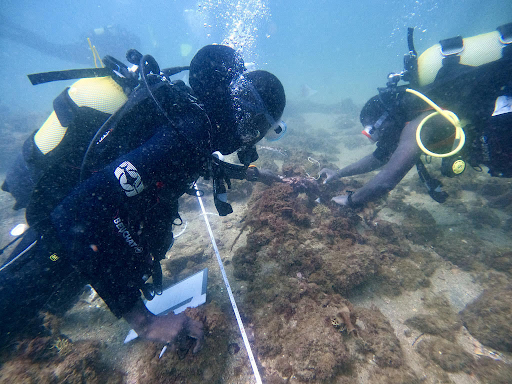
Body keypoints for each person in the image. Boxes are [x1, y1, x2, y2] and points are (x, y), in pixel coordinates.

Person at [0, 44, 286, 354]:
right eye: (260, 130)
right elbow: (77, 212)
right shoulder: (186, 133)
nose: (253, 140)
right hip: (59, 230)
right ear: (248, 119)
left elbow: (194, 160)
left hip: (77, 234)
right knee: (11, 311)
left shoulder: (194, 123)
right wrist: (144, 321)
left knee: (41, 315)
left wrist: (253, 175)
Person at [320, 23, 512, 207]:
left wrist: (351, 201)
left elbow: (386, 181)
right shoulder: (419, 111)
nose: (376, 137)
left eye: (373, 130)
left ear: (384, 119)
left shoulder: (417, 125)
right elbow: (378, 158)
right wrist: (338, 174)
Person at [0, 14, 140, 65]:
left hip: (83, 51)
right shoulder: (120, 45)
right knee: (49, 47)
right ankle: (12, 32)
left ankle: (11, 29)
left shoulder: (118, 40)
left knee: (48, 47)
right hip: (82, 52)